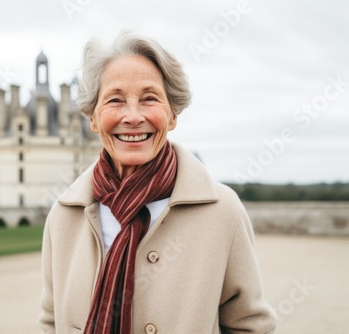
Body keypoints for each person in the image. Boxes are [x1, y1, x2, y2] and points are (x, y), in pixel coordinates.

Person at [39, 31, 277, 333]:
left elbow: (250, 326)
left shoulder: (223, 212)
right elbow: (51, 321)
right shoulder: (64, 217)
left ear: (172, 115)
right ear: (92, 118)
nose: (133, 116)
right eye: (115, 100)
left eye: (150, 98)